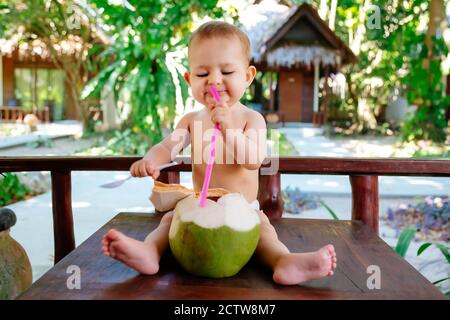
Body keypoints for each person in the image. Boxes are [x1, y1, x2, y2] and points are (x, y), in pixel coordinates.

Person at [102, 21, 337, 285]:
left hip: (243, 210)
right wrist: (150, 160)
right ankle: (149, 252)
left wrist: (229, 130)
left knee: (264, 232)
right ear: (190, 80)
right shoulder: (191, 121)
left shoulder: (252, 119)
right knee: (169, 221)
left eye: (226, 71)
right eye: (203, 74)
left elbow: (253, 160)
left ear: (247, 77)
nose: (214, 80)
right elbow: (169, 147)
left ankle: (283, 261)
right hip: (200, 207)